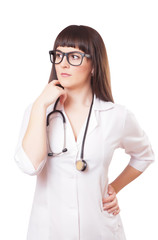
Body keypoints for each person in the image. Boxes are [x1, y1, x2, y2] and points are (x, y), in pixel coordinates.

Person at [14, 25, 154, 240]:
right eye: (58, 55)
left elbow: (144, 155)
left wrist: (113, 189)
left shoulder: (116, 115)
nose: (63, 63)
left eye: (74, 56)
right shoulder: (38, 110)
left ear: (93, 66)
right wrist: (41, 104)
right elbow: (29, 166)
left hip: (100, 230)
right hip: (49, 231)